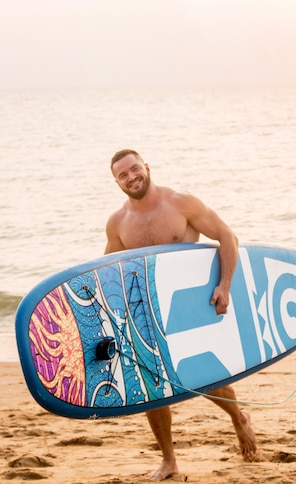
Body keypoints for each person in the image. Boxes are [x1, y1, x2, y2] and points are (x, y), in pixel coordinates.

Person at [104, 148, 257, 481]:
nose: (131, 177)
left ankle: (238, 418)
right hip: (145, 309)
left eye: (134, 169)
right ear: (117, 182)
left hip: (189, 303)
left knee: (204, 376)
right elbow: (108, 272)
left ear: (147, 166)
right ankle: (169, 460)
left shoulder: (181, 203)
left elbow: (227, 237)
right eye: (123, 175)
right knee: (151, 386)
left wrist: (225, 286)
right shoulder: (118, 223)